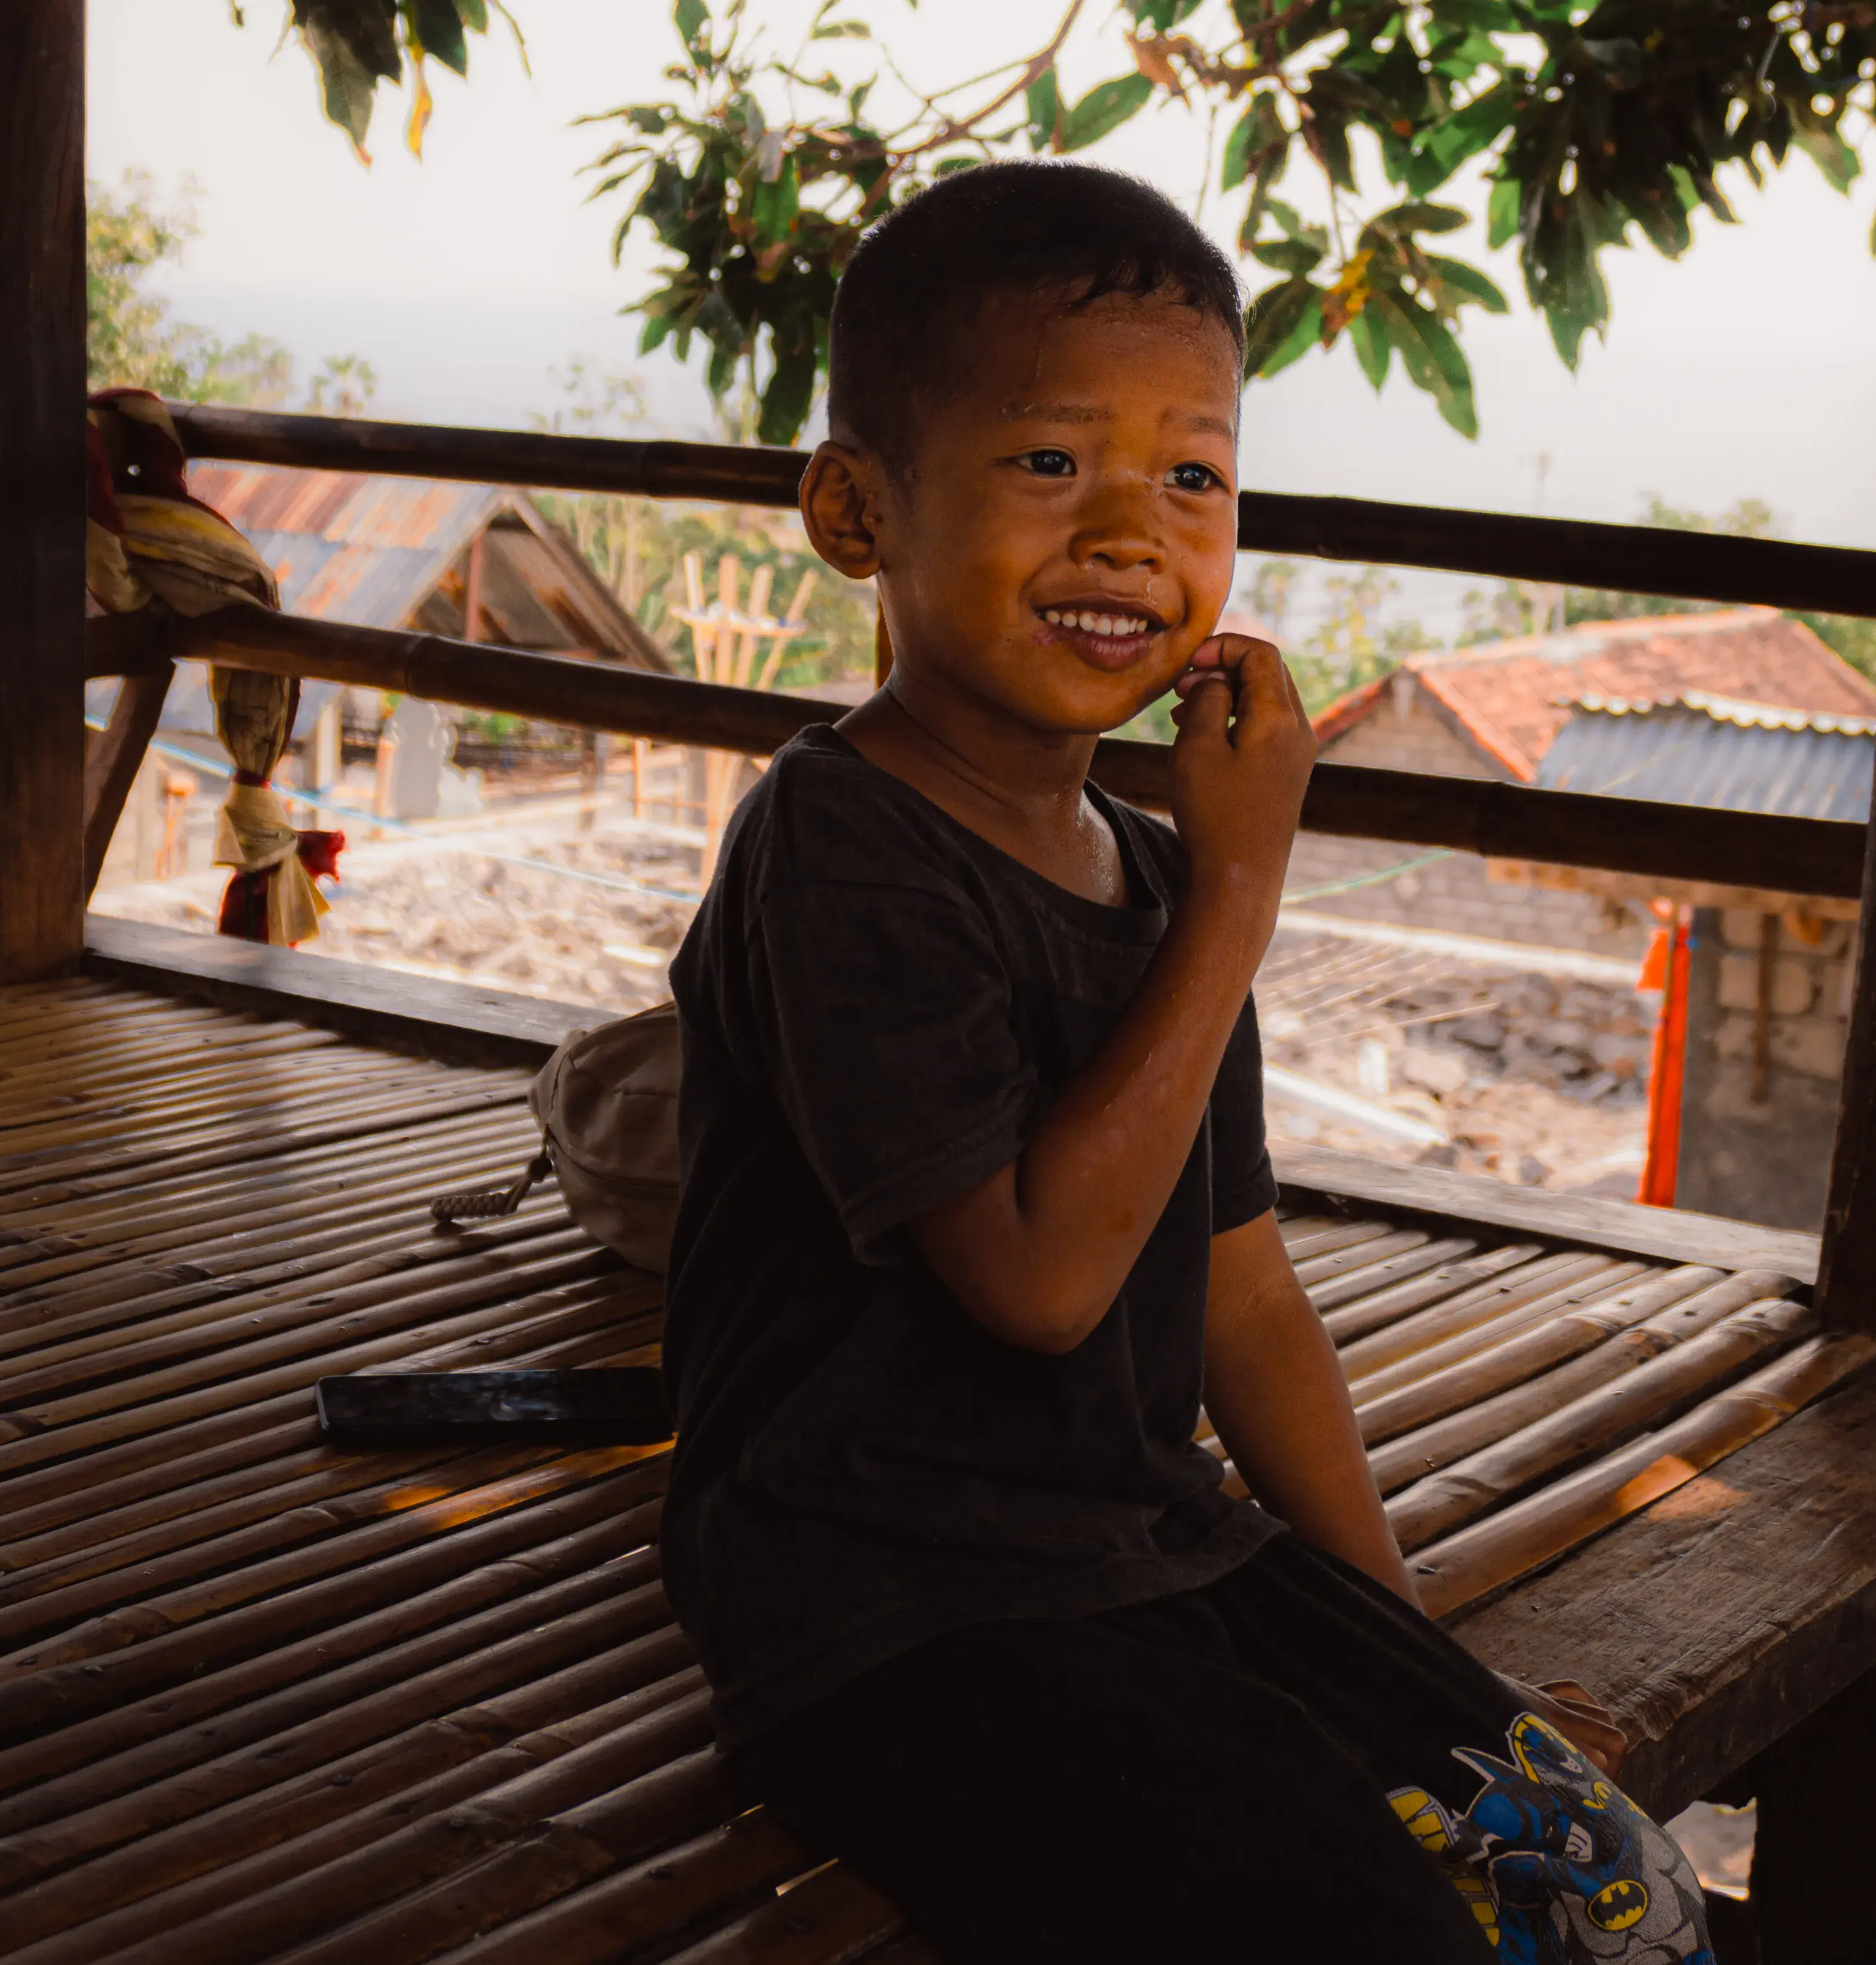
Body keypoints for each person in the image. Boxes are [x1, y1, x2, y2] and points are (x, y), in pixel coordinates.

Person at [659, 161, 1713, 1964]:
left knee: (1595, 1871)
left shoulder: (1144, 873)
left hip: (1146, 1545)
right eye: (1050, 463)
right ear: (855, 511)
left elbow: (1242, 1302)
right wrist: (1240, 884)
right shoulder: (839, 848)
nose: (1131, 532)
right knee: (1375, 1932)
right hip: (884, 1600)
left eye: (1193, 475)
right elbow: (1043, 1285)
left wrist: (1416, 1678)